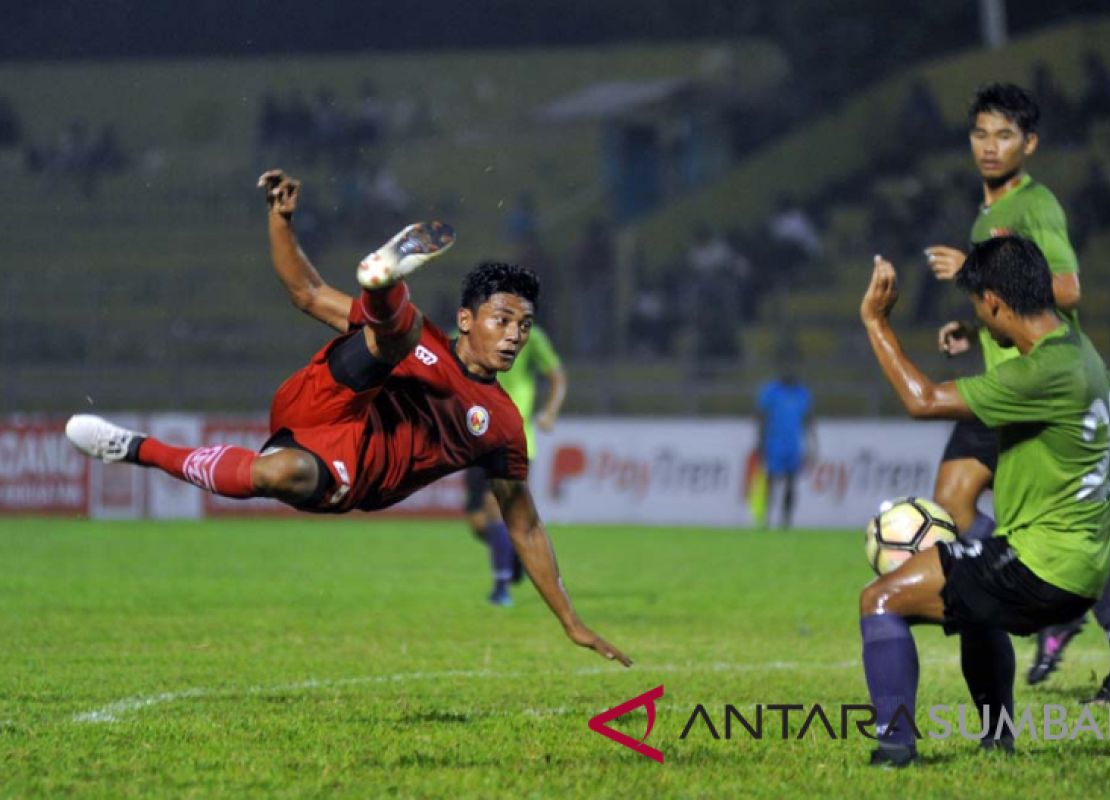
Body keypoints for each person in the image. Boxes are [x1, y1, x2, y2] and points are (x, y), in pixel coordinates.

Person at [64, 170, 629, 668]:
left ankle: (137, 448)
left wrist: (570, 620)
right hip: (327, 397)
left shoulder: (503, 424)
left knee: (274, 475)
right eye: (502, 320)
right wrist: (281, 220)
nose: (514, 336)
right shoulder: (433, 339)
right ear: (467, 318)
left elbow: (524, 523)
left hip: (350, 470)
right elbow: (306, 293)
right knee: (404, 338)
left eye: (524, 326)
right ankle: (382, 287)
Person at [858, 239, 1110, 767]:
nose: (978, 316)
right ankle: (997, 739)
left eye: (977, 304)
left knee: (880, 600)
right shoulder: (1078, 350)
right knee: (976, 603)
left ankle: (894, 748)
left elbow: (922, 399)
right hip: (1081, 569)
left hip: (1041, 570)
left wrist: (877, 323)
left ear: (994, 302)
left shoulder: (1036, 374)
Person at [923, 83, 1110, 700]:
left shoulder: (1037, 207)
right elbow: (1013, 304)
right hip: (1006, 386)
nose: (990, 146)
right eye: (981, 133)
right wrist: (973, 324)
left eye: (1005, 135)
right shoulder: (986, 213)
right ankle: (1042, 589)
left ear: (1029, 143)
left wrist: (968, 271)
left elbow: (1069, 289)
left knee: (1056, 522)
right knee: (951, 504)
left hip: (1042, 392)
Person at [465, 323, 567, 606]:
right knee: (477, 522)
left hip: (514, 437)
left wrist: (549, 411)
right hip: (473, 438)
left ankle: (501, 587)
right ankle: (514, 554)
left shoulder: (532, 337)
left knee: (494, 506)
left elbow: (557, 376)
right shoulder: (470, 330)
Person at [755, 354, 815, 530]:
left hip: (793, 444)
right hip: (774, 443)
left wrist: (812, 444)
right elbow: (761, 417)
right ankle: (766, 518)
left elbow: (808, 420)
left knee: (791, 482)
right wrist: (760, 442)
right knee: (771, 481)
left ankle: (785, 521)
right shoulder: (771, 392)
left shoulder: (802, 393)